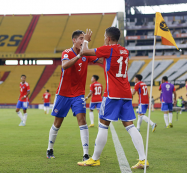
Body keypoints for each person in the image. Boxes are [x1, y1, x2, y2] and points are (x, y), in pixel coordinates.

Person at [77, 27, 149, 169]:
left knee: (103, 124)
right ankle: (143, 159)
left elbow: (84, 51)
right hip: (126, 93)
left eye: (105, 36)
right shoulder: (124, 51)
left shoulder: (108, 49)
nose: (104, 39)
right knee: (130, 125)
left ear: (108, 38)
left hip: (112, 94)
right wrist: (98, 60)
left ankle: (95, 159)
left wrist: (86, 40)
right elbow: (110, 62)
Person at [46, 30, 102, 160]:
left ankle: (86, 154)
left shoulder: (86, 54)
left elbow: (100, 60)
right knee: (57, 123)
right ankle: (50, 149)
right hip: (63, 94)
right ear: (74, 40)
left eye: (84, 39)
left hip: (78, 94)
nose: (83, 41)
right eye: (81, 38)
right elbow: (65, 66)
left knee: (82, 120)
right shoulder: (66, 52)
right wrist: (78, 56)